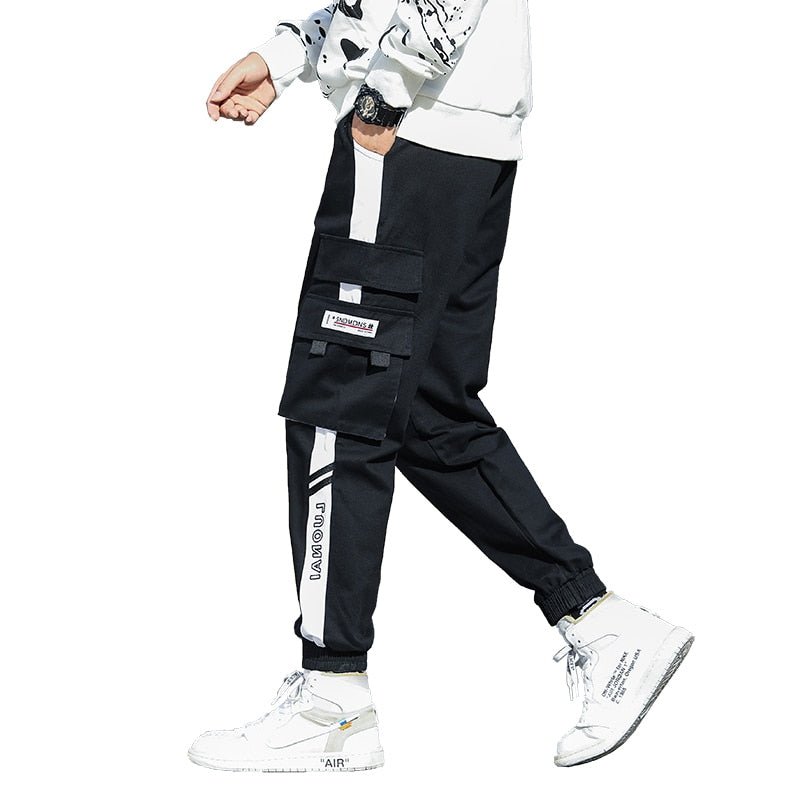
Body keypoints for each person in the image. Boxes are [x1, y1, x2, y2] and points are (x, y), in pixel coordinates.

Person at [189, 0, 694, 772]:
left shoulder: (398, 108)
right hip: (457, 138)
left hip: (412, 132)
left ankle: (331, 698)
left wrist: (384, 95)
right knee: (426, 407)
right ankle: (599, 620)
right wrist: (289, 54)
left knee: (340, 402)